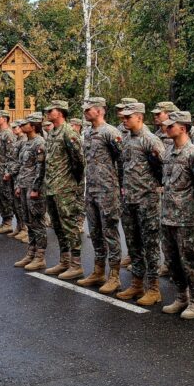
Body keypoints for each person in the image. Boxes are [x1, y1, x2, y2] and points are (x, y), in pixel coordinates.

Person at [158, 110, 194, 320]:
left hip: (188, 218)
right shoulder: (169, 152)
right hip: (168, 215)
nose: (167, 128)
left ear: (183, 128)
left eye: (171, 125)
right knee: (172, 260)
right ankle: (181, 296)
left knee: (190, 260)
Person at [117, 101, 165, 306]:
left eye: (128, 117)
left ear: (139, 117)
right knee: (134, 243)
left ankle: (153, 288)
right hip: (130, 199)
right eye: (124, 117)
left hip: (147, 200)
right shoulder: (127, 139)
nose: (124, 120)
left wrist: (155, 189)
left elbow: (163, 168)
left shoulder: (150, 140)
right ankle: (137, 283)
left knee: (151, 245)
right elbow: (123, 167)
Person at [78, 97, 126, 294]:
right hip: (92, 190)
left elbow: (122, 160)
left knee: (110, 232)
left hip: (108, 190)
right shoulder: (88, 133)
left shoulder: (111, 132)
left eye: (89, 109)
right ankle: (98, 270)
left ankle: (114, 275)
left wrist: (121, 186)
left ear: (100, 111)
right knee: (95, 232)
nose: (85, 112)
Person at [43, 100, 86, 279]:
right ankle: (64, 260)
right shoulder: (52, 133)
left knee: (70, 225)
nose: (47, 112)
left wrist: (71, 181)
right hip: (52, 187)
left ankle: (76, 265)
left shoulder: (69, 132)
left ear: (60, 112)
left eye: (50, 110)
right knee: (58, 226)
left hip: (65, 187)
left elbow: (79, 161)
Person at [14, 113, 47, 270]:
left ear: (33, 126)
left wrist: (36, 188)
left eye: (26, 124)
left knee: (37, 222)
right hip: (24, 185)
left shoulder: (39, 142)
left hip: (34, 188)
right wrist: (19, 185)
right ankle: (31, 253)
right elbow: (23, 166)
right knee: (28, 221)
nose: (22, 126)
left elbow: (41, 168)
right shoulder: (27, 143)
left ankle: (40, 256)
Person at [0, 111, 18, 235]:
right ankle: (4, 221)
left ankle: (8, 222)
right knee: (0, 197)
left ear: (5, 119)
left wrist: (8, 171)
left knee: (7, 197)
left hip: (4, 171)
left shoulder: (8, 134)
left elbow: (11, 155)